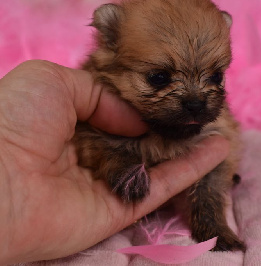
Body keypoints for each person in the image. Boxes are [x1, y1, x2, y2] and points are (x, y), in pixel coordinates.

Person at [0, 60, 229, 264]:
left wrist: (209, 219)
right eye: (158, 78)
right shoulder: (94, 106)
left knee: (214, 153)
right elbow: (89, 142)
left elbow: (225, 149)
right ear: (110, 45)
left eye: (215, 77)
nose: (196, 100)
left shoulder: (207, 122)